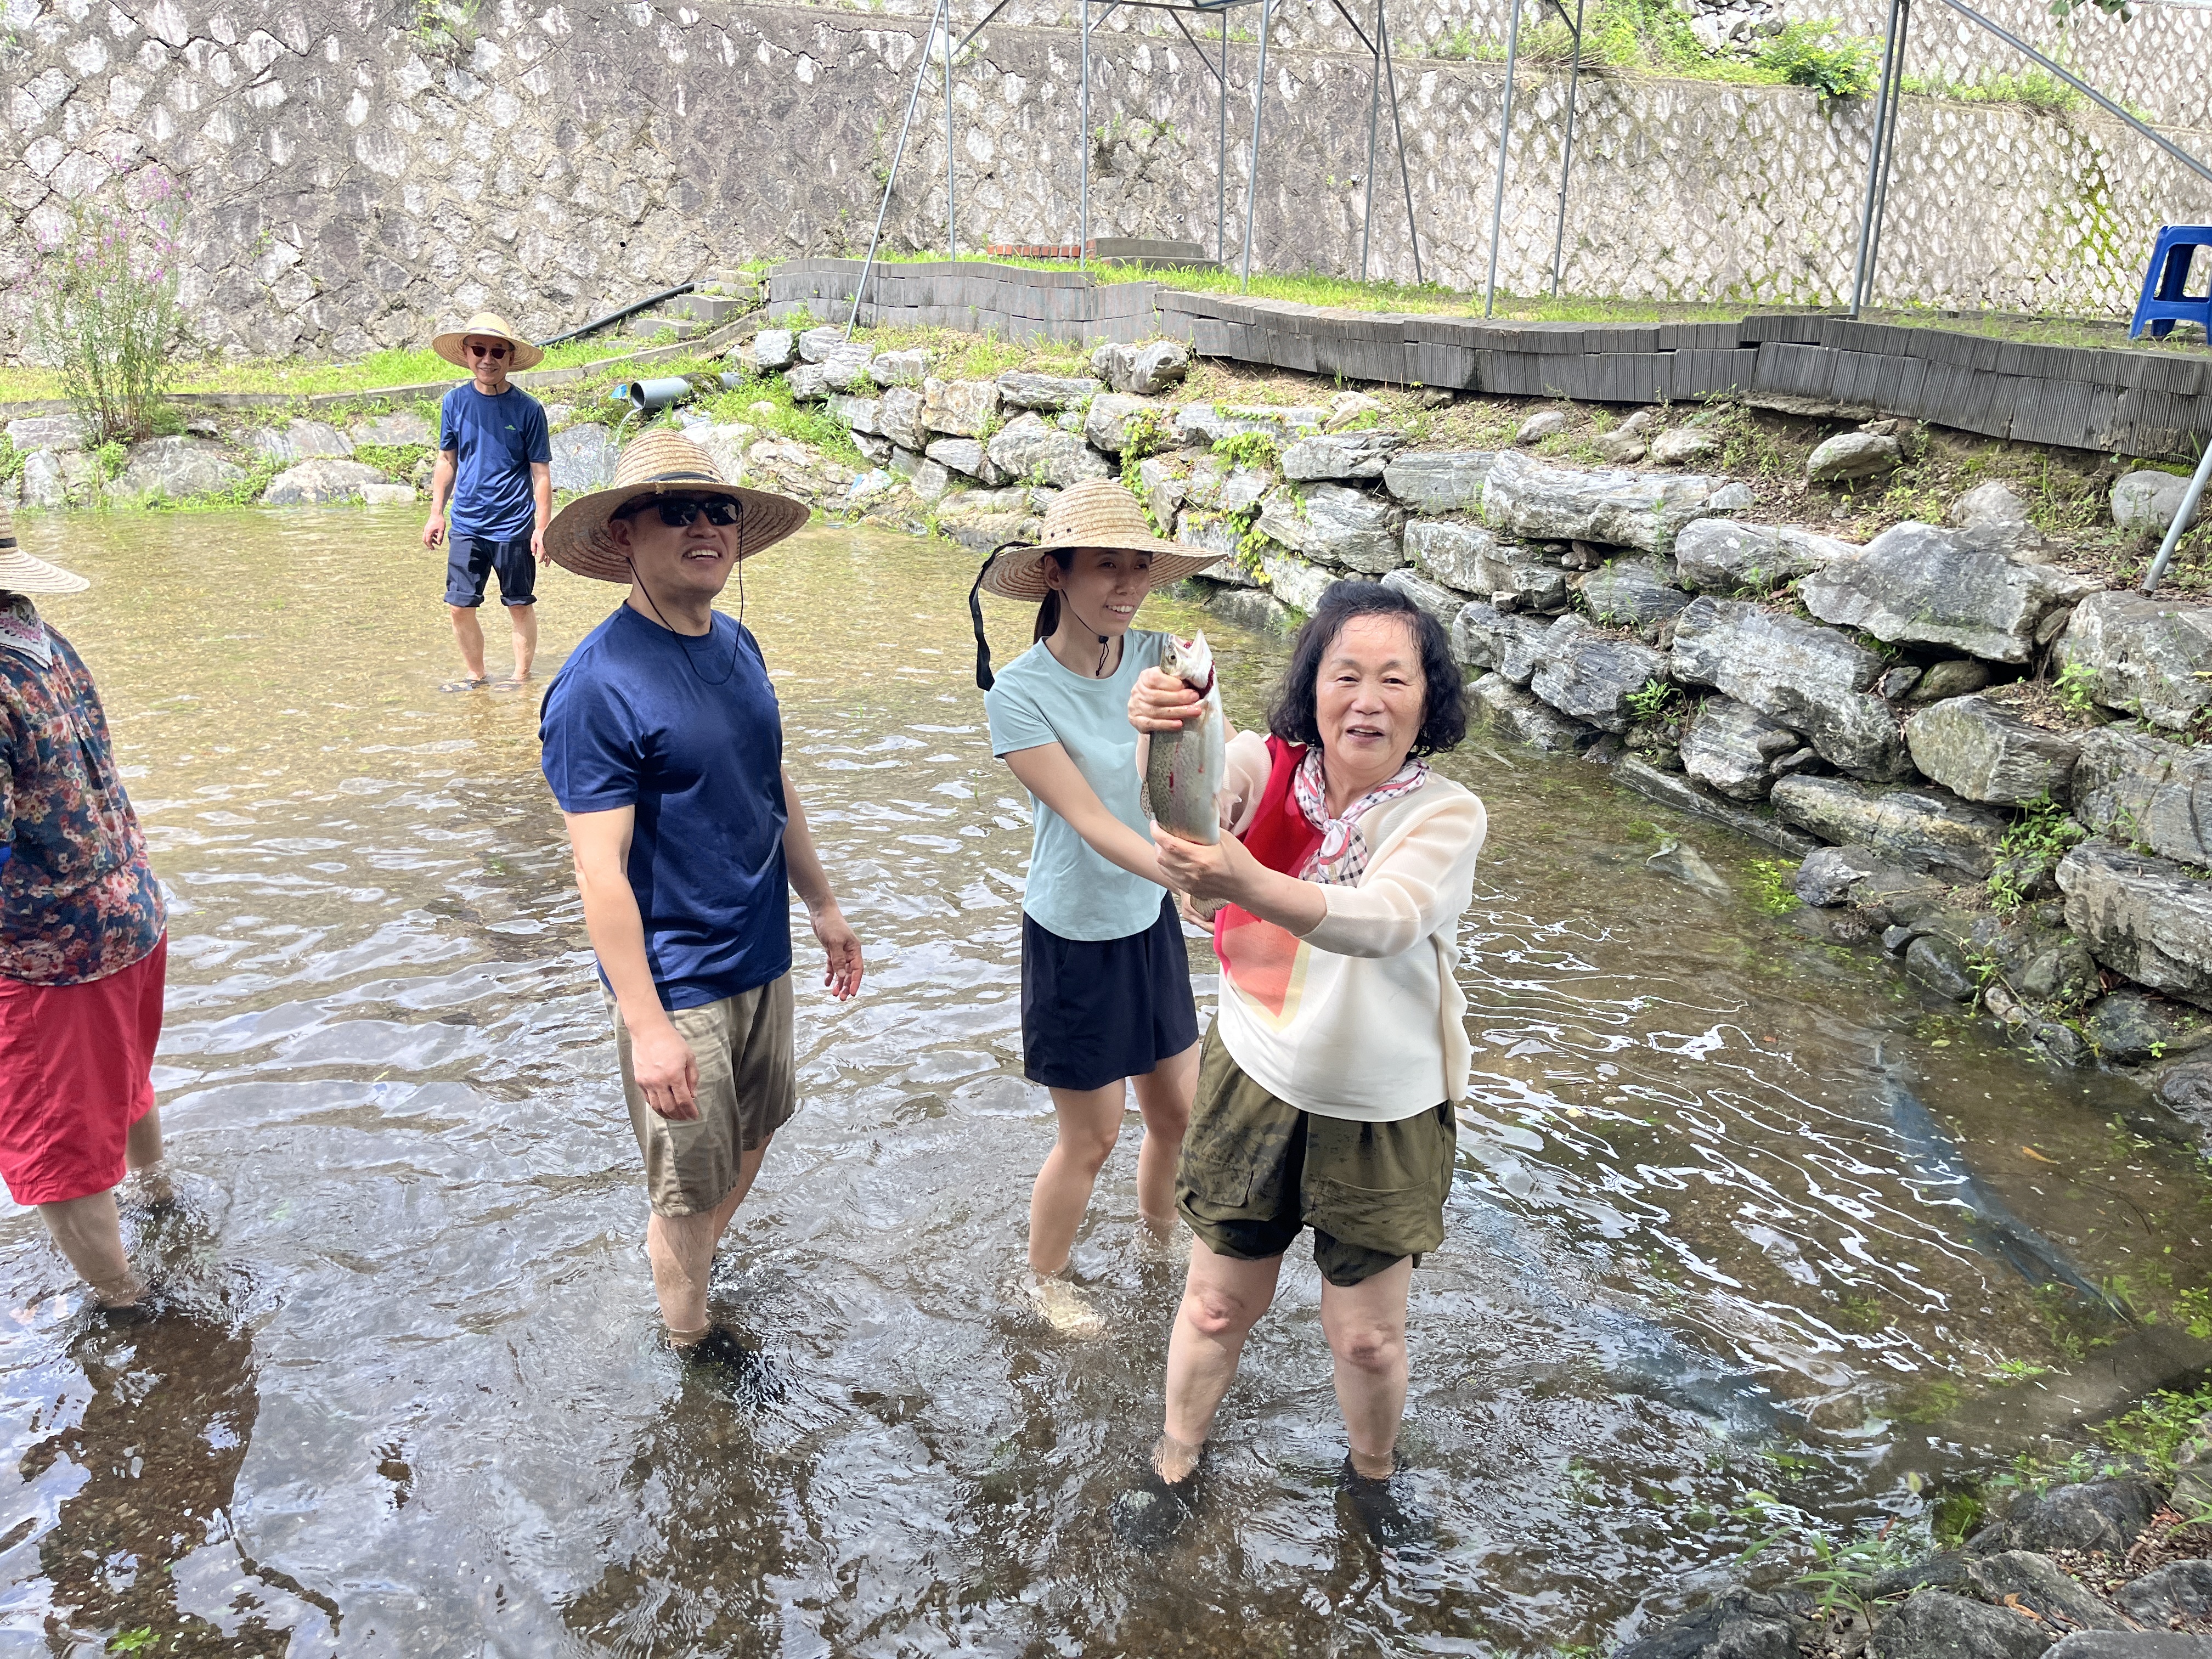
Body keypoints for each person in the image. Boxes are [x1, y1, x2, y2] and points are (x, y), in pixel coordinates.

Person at [1120, 579, 1485, 1547]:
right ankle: (1175, 1461)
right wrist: (1165, 727)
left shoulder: (1444, 815)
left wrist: (1243, 878)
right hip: (1256, 1073)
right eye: (1345, 674)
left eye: (1393, 679)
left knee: (1366, 1334)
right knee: (1211, 1302)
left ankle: (1371, 1476)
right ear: (1312, 687)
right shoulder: (1262, 762)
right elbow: (1190, 806)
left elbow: (1386, 918)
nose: (1366, 698)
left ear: (1427, 699)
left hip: (1386, 1102)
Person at [538, 430, 864, 1365]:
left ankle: (690, 1269)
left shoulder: (738, 641)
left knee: (755, 1130)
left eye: (717, 509)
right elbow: (599, 870)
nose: (704, 526)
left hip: (762, 950)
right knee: (684, 1190)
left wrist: (824, 903)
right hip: (680, 978)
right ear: (622, 537)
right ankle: (691, 1346)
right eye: (676, 511)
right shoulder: (597, 685)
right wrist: (646, 1026)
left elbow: (772, 779)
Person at [972, 479, 1227, 1335]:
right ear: (1055, 573)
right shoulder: (1018, 694)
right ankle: (1040, 1281)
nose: (1126, 587)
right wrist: (1185, 876)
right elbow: (1085, 819)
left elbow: (1204, 771)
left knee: (1178, 1113)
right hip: (1075, 932)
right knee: (1093, 1137)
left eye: (1138, 569)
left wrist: (1205, 851)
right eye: (1106, 568)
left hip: (1148, 918)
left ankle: (1161, 1247)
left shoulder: (1161, 656)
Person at [0, 508, 168, 1318]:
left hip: (50, 955)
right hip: (130, 911)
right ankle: (164, 1200)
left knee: (57, 1156)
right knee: (125, 1080)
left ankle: (130, 1311)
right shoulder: (33, 630)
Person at [421, 309, 554, 693]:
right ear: (466, 353)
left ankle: (520, 678)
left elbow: (540, 473)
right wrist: (436, 513)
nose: (488, 359)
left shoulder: (528, 410)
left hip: (514, 524)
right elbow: (447, 460)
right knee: (459, 606)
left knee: (519, 604)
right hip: (467, 523)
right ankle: (475, 676)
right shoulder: (455, 402)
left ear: (511, 359)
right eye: (479, 349)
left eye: (498, 352)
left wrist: (542, 528)